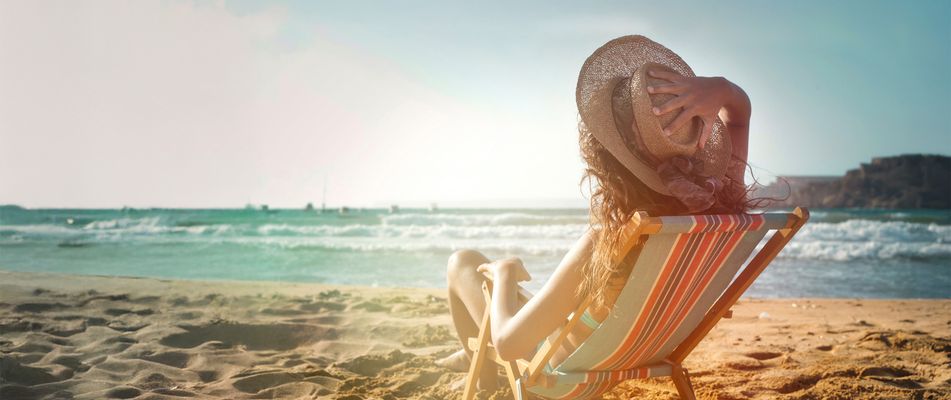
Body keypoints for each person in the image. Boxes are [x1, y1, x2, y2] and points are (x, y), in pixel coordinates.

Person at [439, 35, 755, 393]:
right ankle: (471, 360)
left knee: (463, 262)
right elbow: (739, 118)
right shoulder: (717, 209)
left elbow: (510, 343)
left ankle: (481, 377)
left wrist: (505, 273)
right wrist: (722, 88)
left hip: (558, 376)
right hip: (638, 354)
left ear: (608, 155)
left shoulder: (615, 238)